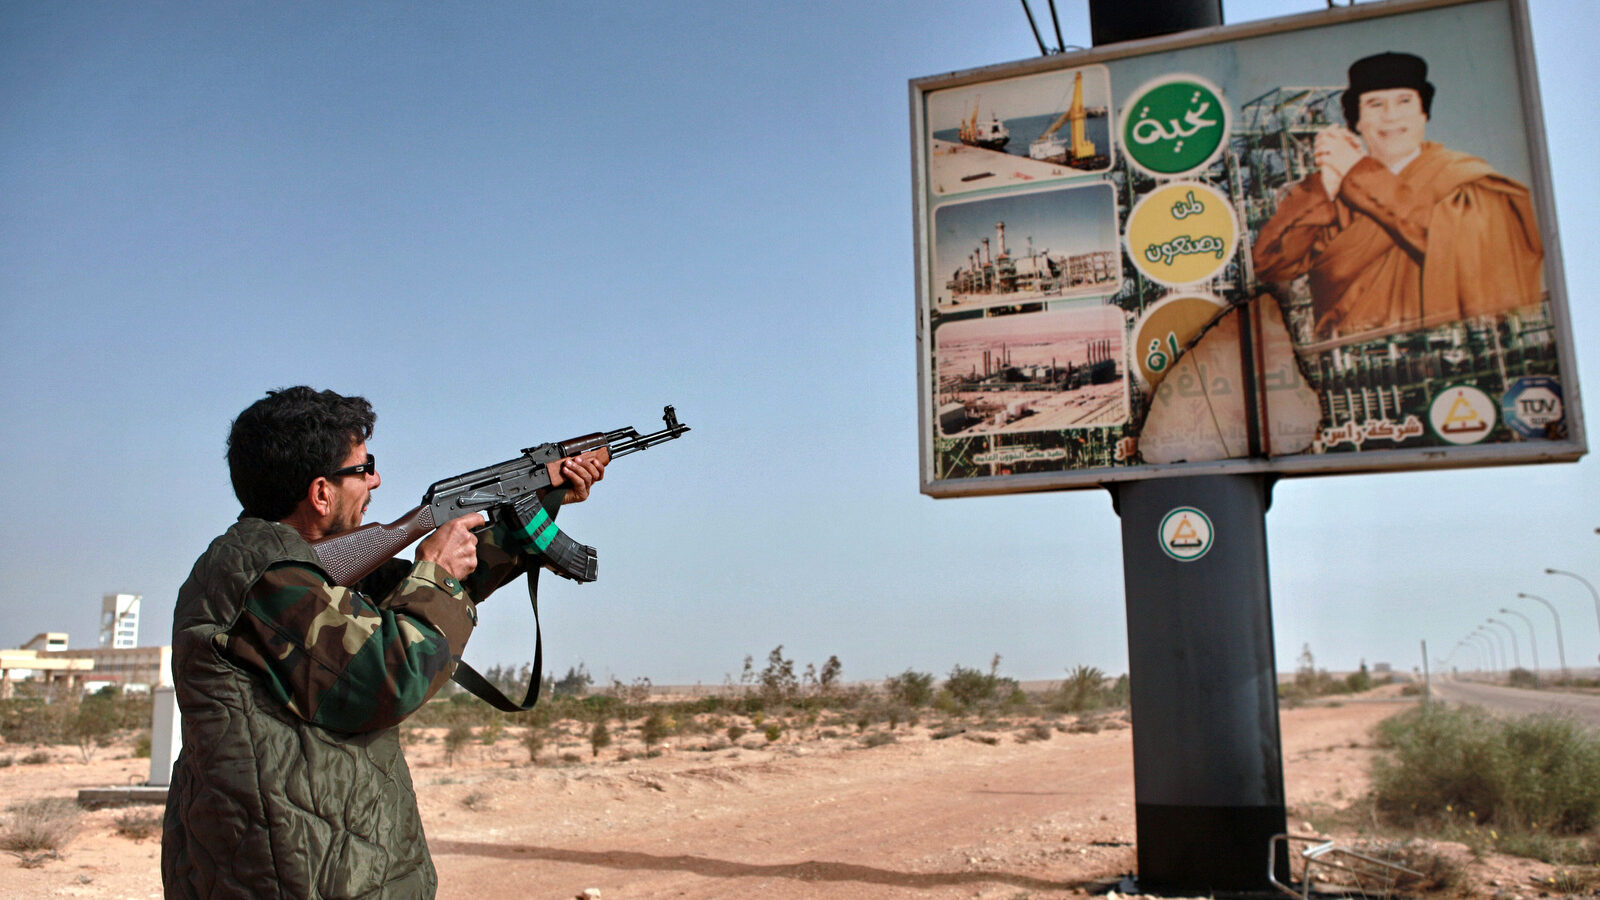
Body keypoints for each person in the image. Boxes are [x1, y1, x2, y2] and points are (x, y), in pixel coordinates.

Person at [162, 387, 605, 899]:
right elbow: (389, 672)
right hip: (296, 875)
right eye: (363, 467)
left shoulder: (294, 570)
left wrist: (542, 502)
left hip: (321, 859)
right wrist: (435, 570)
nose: (376, 479)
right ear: (321, 493)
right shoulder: (267, 578)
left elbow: (417, 595)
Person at [1252, 51, 1543, 344]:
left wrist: (1362, 175)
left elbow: (1475, 254)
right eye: (1375, 104)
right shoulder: (1335, 195)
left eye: (1405, 101)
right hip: (1350, 366)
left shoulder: (1464, 182)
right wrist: (1324, 187)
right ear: (1357, 120)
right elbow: (1270, 265)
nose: (1391, 116)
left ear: (1423, 112)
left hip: (1454, 354)